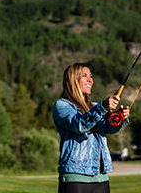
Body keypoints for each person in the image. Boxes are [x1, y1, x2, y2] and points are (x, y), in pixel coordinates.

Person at [53, 63, 130, 193]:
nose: (90, 80)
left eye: (91, 76)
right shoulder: (62, 105)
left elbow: (108, 129)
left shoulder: (95, 107)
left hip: (101, 178)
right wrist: (103, 107)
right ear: (73, 80)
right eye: (84, 76)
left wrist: (119, 118)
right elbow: (79, 125)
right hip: (75, 178)